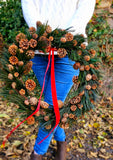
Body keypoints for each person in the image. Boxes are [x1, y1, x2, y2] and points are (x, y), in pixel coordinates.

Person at [21, 0, 96, 159]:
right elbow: (28, 4)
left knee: (51, 106)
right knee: (52, 104)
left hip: (70, 50)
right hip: (39, 51)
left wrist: (63, 37)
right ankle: (61, 140)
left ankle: (36, 154)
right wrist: (43, 35)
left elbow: (84, 8)